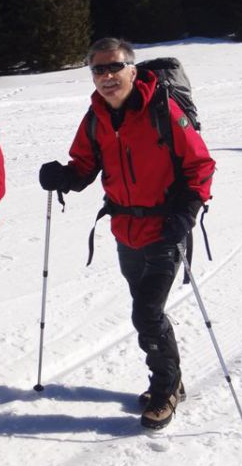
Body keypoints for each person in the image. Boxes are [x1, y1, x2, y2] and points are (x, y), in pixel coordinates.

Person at [38, 37, 215, 431]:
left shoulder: (163, 111)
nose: (106, 76)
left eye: (114, 67)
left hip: (165, 230)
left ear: (132, 70)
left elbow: (200, 165)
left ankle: (165, 387)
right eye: (98, 69)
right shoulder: (96, 116)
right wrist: (62, 177)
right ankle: (172, 377)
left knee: (147, 312)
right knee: (146, 311)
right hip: (125, 231)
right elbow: (85, 165)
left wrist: (186, 213)